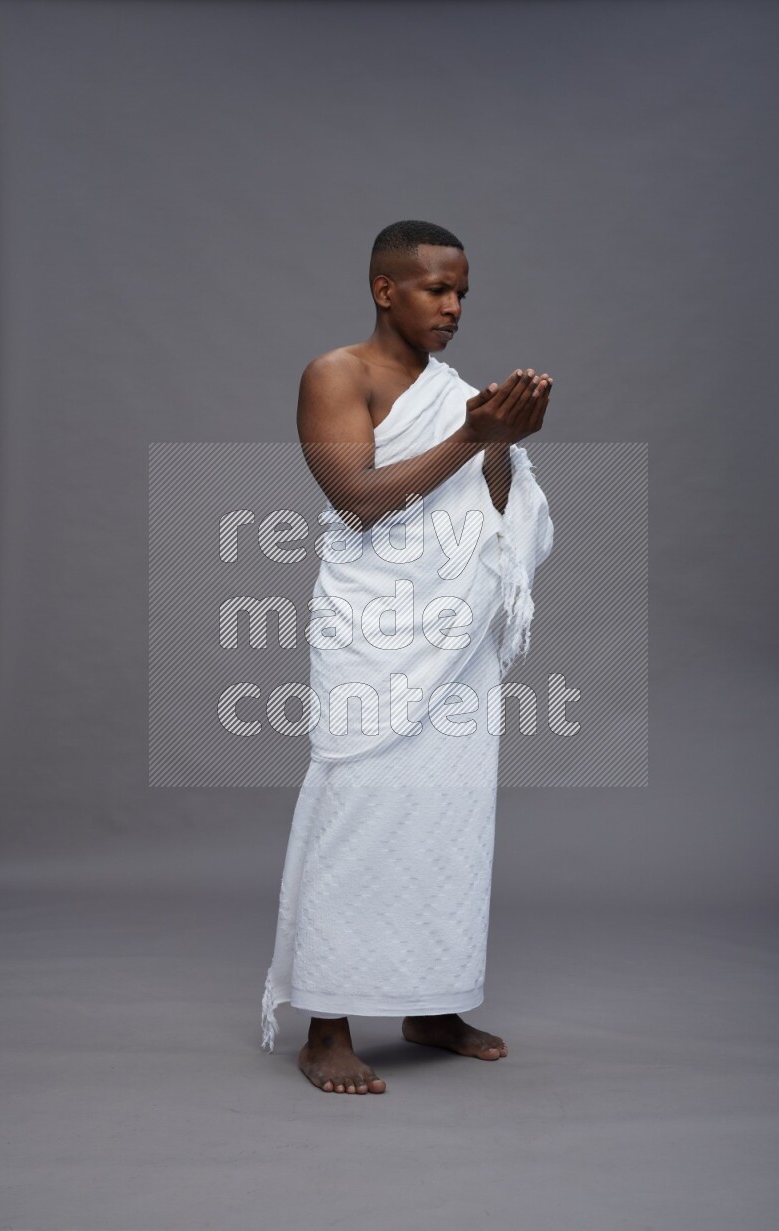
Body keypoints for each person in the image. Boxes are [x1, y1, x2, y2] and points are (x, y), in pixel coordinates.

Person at [260, 219, 554, 1094]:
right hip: (374, 635)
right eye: (436, 288)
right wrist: (471, 433)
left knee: (450, 820)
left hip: (454, 640)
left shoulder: (458, 393)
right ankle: (328, 1025)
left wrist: (502, 437)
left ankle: (432, 1001)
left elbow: (498, 511)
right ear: (386, 289)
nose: (454, 306)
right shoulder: (336, 375)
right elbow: (355, 500)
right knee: (361, 813)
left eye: (462, 290)